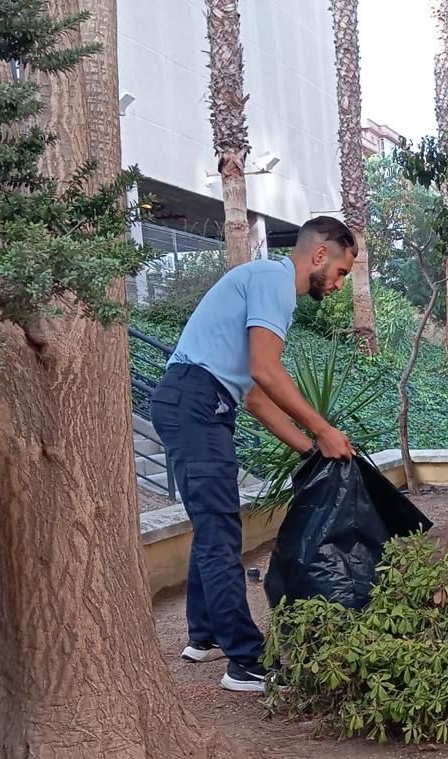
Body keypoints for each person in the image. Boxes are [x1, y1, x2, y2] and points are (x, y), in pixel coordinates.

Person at [150, 215, 359, 694]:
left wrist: (311, 449)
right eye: (341, 272)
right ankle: (246, 663)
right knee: (221, 530)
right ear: (320, 254)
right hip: (196, 401)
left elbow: (257, 398)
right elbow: (266, 371)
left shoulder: (268, 287)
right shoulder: (273, 281)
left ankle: (204, 635)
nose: (340, 284)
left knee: (213, 524)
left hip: (200, 401)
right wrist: (324, 429)